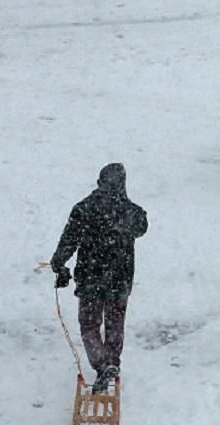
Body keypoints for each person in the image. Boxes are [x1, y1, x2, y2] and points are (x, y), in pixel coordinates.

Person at [51, 163, 148, 393]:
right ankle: (112, 363)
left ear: (99, 182)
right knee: (115, 326)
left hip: (90, 277)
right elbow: (143, 227)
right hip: (120, 280)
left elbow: (69, 240)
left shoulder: (84, 209)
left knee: (89, 325)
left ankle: (102, 364)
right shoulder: (132, 213)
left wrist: (59, 263)